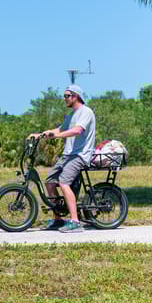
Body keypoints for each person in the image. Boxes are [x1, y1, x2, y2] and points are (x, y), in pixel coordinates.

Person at [29, 84, 96, 233]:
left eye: (67, 96)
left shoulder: (86, 112)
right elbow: (59, 129)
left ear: (75, 96)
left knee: (64, 182)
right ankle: (58, 219)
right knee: (50, 182)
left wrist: (57, 136)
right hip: (68, 155)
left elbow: (78, 130)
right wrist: (39, 135)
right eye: (64, 96)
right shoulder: (72, 115)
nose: (64, 98)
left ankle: (75, 222)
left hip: (80, 155)